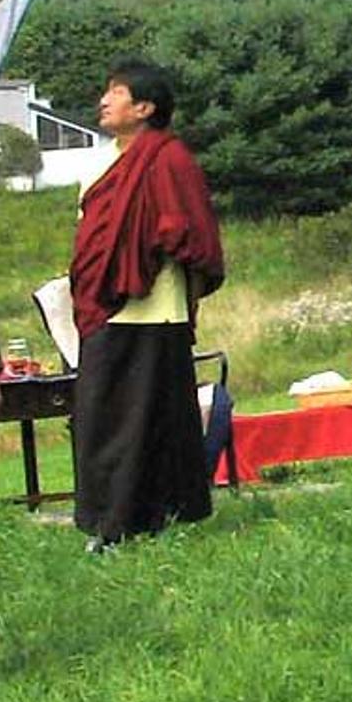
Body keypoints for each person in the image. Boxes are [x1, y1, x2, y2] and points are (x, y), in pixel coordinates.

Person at [69, 62, 225, 548]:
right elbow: (92, 234)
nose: (104, 101)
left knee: (154, 419)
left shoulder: (170, 159)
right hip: (106, 308)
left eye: (116, 93)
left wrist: (161, 246)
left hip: (158, 313)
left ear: (144, 108)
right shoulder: (96, 164)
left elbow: (194, 235)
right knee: (99, 416)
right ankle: (104, 521)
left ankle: (158, 517)